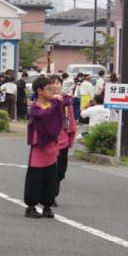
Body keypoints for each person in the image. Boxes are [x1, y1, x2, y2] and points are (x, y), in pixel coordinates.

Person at [23, 76, 61, 219]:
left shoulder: (52, 105)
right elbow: (45, 117)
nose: (53, 91)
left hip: (51, 146)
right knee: (35, 177)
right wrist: (57, 103)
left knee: (50, 178)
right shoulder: (36, 108)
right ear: (39, 91)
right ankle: (31, 206)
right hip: (39, 147)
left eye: (53, 89)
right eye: (49, 89)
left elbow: (57, 116)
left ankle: (47, 205)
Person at [50, 74, 77, 205]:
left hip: (63, 142)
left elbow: (71, 123)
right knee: (52, 171)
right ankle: (51, 196)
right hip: (50, 143)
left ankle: (52, 191)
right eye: (52, 83)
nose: (55, 86)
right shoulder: (46, 101)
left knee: (61, 172)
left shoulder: (67, 103)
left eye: (57, 83)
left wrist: (70, 139)